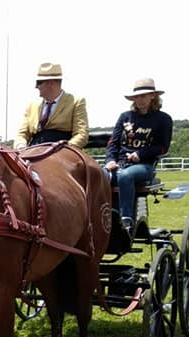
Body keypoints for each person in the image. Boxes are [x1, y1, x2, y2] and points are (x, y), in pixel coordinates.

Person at [104, 78, 173, 233]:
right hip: (120, 163)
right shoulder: (125, 117)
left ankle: (125, 220)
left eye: (144, 96)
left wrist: (140, 154)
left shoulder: (163, 119)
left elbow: (163, 147)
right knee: (98, 175)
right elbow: (113, 143)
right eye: (137, 97)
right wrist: (110, 161)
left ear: (153, 96)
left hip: (144, 166)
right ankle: (100, 217)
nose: (140, 100)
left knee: (125, 176)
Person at [14, 62, 89, 149]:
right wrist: (20, 146)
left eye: (39, 82)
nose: (36, 87)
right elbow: (22, 134)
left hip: (62, 153)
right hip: (33, 152)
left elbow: (81, 134)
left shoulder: (76, 102)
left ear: (50, 83)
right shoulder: (31, 106)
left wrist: (65, 150)